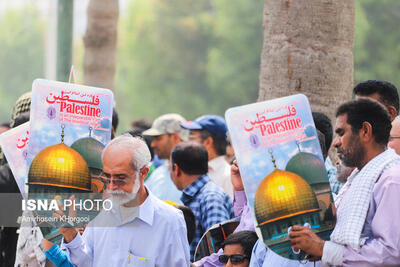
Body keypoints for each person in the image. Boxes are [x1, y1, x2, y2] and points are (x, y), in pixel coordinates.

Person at [289, 98, 400, 266]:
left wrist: (323, 249)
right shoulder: (357, 178)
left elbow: (391, 254)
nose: (335, 143)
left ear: (365, 131)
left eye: (341, 133)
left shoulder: (391, 180)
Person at [60, 135, 190, 266]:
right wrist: (71, 235)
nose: (111, 187)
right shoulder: (100, 212)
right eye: (106, 178)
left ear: (143, 172)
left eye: (120, 178)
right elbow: (86, 262)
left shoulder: (169, 221)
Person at [169, 141, 233, 260]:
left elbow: (218, 253)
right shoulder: (197, 196)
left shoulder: (211, 197)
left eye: (170, 167)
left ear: (176, 169)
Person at [181, 115, 233, 198]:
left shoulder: (228, 177)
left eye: (191, 136)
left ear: (208, 142)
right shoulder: (194, 170)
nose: (187, 141)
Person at [142, 113, 189, 203]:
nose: (153, 144)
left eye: (158, 138)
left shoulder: (193, 175)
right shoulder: (157, 174)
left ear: (175, 137)